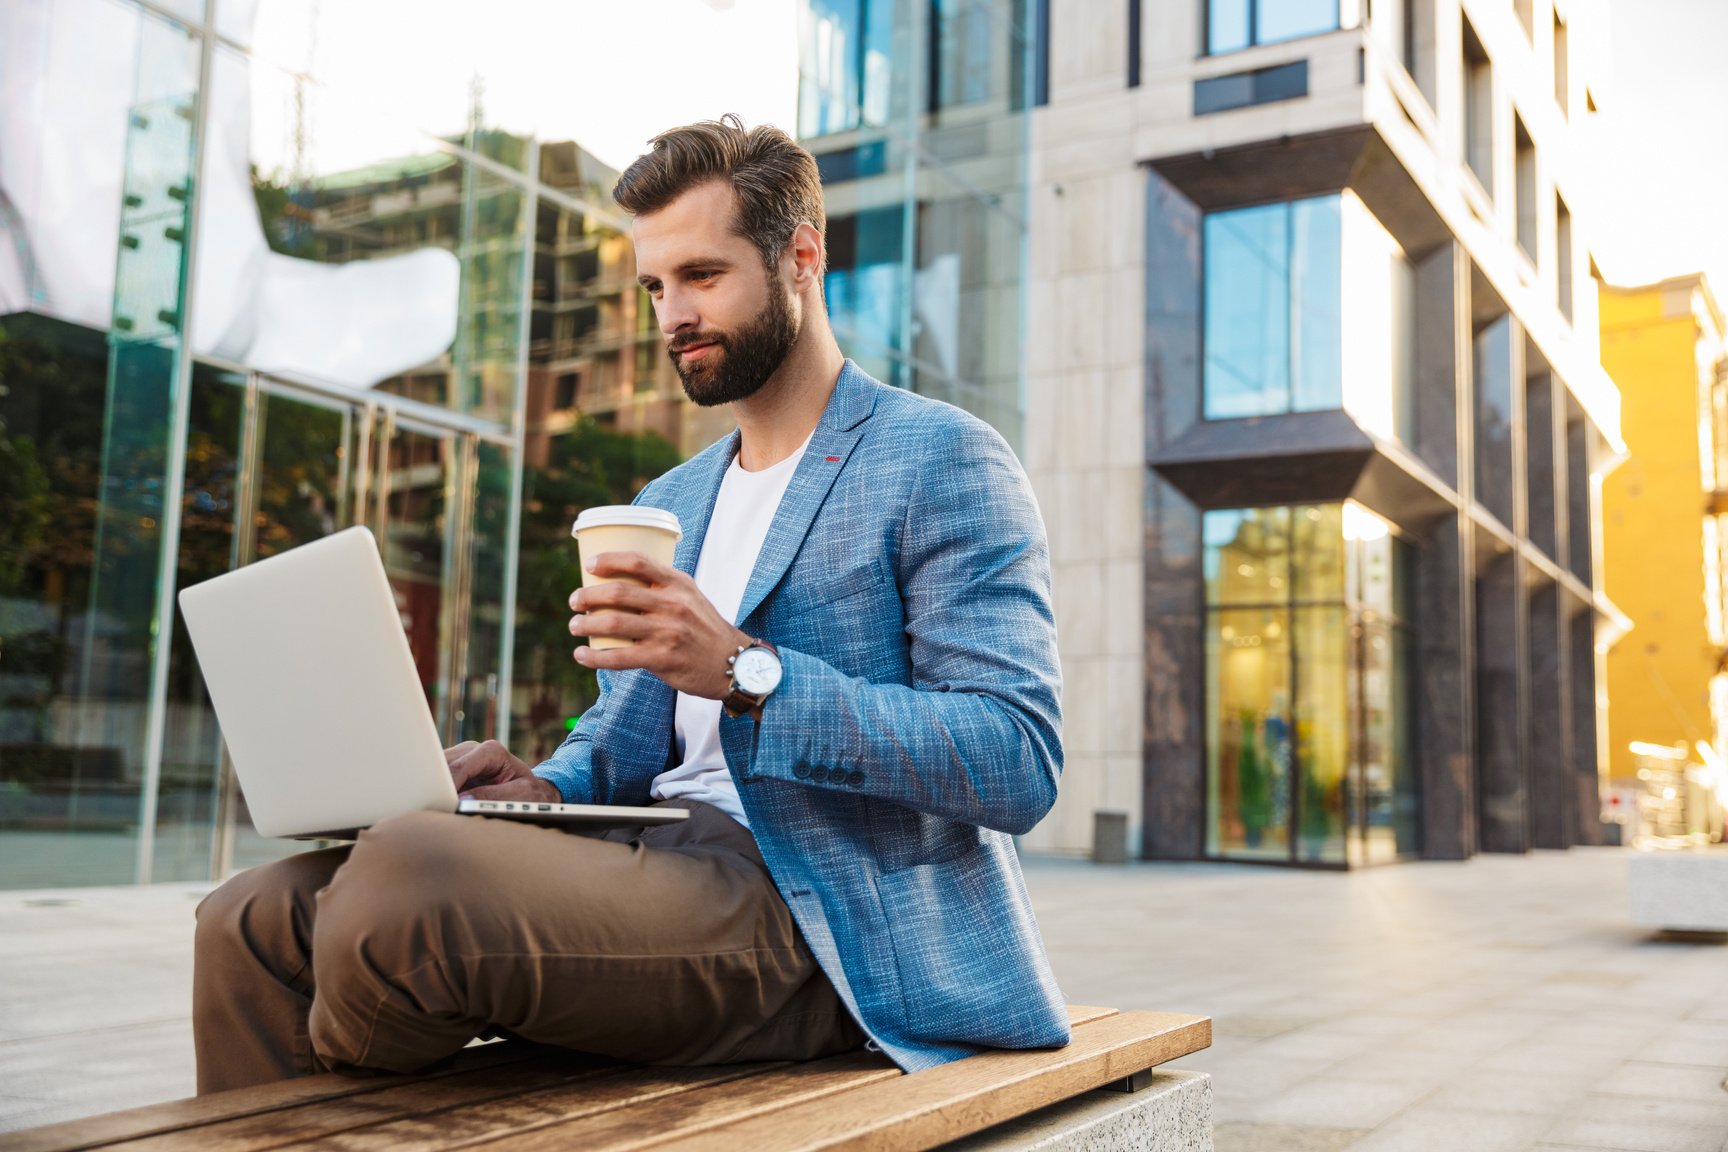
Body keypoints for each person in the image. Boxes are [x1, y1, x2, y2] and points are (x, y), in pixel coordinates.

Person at [192, 115, 1069, 1093]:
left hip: (825, 914)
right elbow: (623, 742)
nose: (670, 315)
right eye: (655, 286)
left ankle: (361, 1079)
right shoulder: (668, 503)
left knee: (408, 882)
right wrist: (547, 790)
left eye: (702, 276)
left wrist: (748, 674)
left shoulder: (940, 460)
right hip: (659, 857)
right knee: (250, 921)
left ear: (801, 259)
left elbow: (1016, 760)